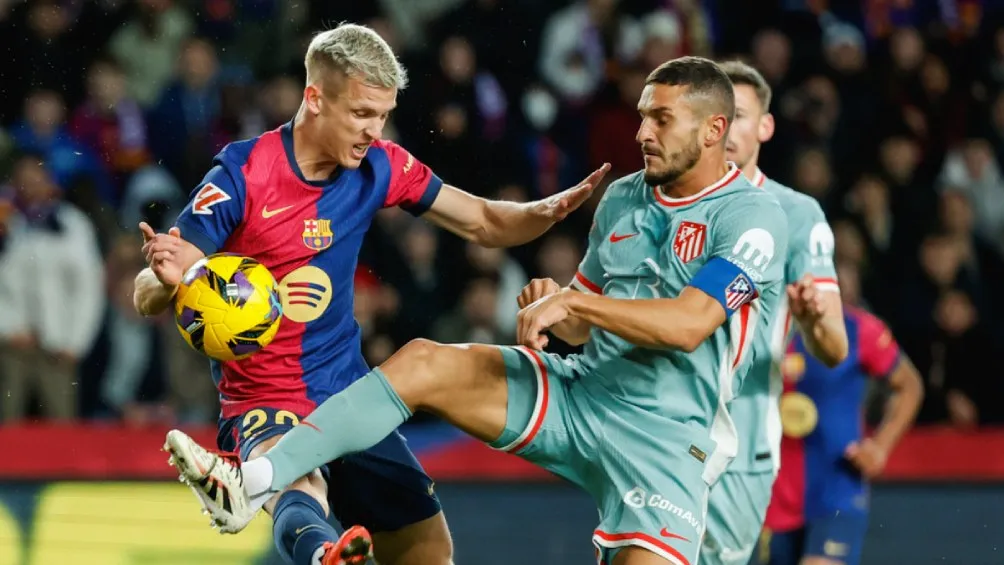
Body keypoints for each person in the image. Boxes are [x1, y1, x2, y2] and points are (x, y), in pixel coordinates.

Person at [163, 55, 790, 565]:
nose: (641, 133)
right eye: (642, 117)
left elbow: (689, 324)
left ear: (714, 131)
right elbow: (581, 317)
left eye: (662, 120)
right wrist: (555, 306)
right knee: (424, 363)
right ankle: (254, 482)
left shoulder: (752, 217)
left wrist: (575, 304)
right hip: (583, 397)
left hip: (668, 438)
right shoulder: (625, 198)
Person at [138, 23, 609, 565]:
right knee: (298, 481)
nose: (373, 131)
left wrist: (544, 211)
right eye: (362, 114)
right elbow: (155, 285)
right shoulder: (243, 173)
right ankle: (322, 556)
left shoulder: (381, 165)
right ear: (314, 98)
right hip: (265, 399)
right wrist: (162, 281)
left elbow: (481, 220)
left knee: (427, 552)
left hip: (351, 395)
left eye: (382, 115)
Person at [699, 61, 850, 565]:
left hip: (741, 446)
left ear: (765, 126)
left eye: (738, 115)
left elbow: (835, 348)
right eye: (713, 115)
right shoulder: (665, 203)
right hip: (659, 432)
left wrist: (810, 317)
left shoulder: (797, 214)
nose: (723, 129)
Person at [756, 260, 923, 565]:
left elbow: (909, 385)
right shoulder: (762, 330)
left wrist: (880, 447)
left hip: (837, 488)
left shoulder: (861, 329)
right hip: (769, 495)